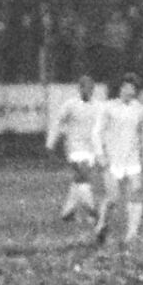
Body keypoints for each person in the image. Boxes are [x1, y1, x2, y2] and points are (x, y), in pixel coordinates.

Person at [92, 72, 143, 246]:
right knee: (113, 198)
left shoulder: (139, 109)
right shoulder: (108, 107)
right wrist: (100, 155)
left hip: (132, 159)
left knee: (136, 192)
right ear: (120, 88)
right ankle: (102, 224)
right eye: (127, 86)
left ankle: (131, 235)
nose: (130, 90)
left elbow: (142, 134)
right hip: (112, 159)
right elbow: (97, 132)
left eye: (133, 88)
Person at [46, 74, 103, 224]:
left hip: (91, 149)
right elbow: (57, 122)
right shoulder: (70, 105)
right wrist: (50, 144)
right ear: (79, 88)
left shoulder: (98, 107)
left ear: (93, 89)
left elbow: (103, 128)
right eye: (84, 87)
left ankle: (68, 212)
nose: (87, 90)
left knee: (79, 180)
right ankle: (92, 211)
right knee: (83, 177)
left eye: (90, 88)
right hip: (74, 148)